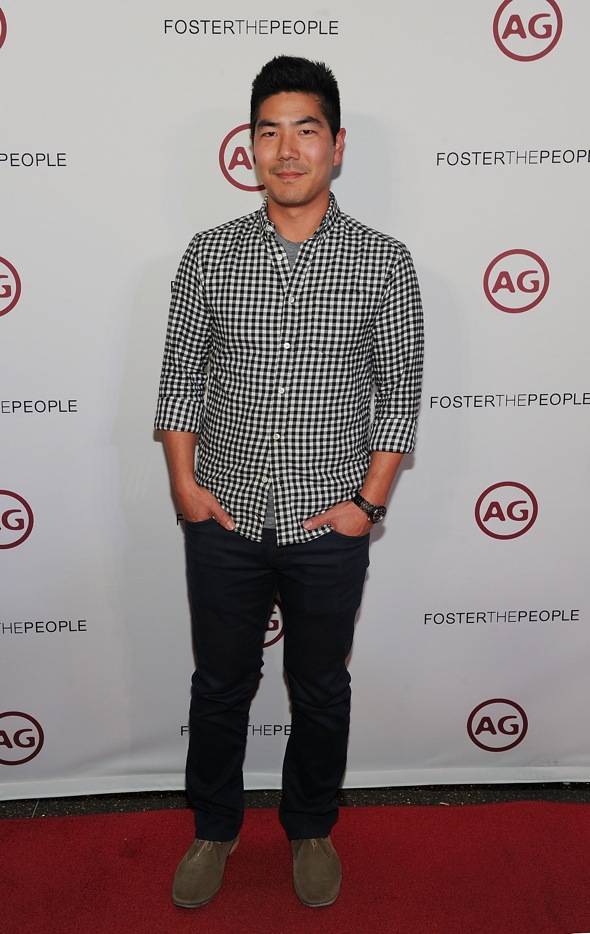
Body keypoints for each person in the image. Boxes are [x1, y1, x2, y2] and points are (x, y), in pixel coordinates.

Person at [154, 54, 424, 910]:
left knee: (320, 688)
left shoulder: (384, 262)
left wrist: (367, 506)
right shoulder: (210, 254)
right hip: (223, 516)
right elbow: (179, 379)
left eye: (306, 130)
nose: (287, 149)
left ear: (336, 146)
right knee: (219, 686)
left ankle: (310, 826)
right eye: (269, 132)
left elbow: (399, 396)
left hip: (328, 525)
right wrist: (186, 488)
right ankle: (214, 827)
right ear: (251, 148)